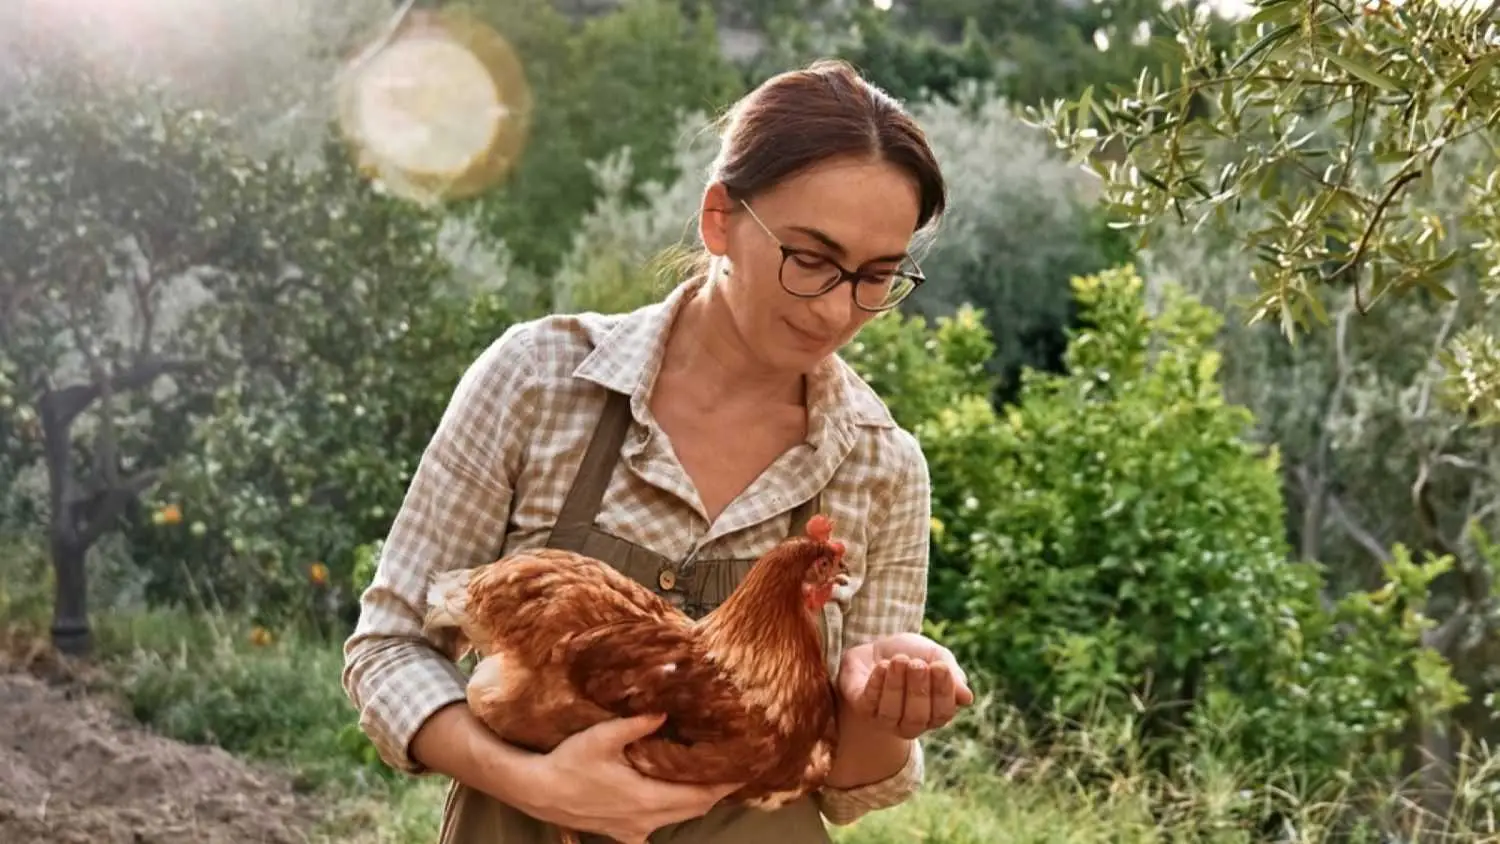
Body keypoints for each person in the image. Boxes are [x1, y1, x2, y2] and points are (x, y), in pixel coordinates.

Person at [342, 58, 975, 844]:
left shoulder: (881, 466)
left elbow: (847, 785)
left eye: (876, 275)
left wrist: (886, 705)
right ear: (720, 219)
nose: (840, 307)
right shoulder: (540, 380)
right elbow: (390, 649)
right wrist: (537, 785)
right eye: (811, 258)